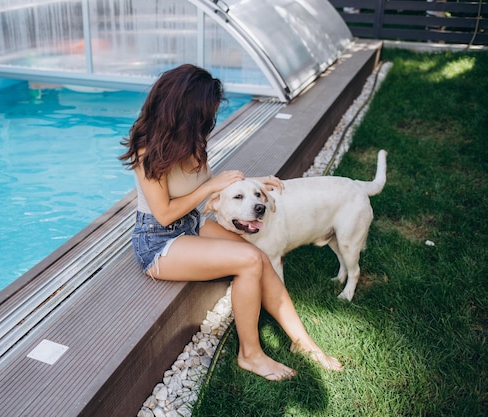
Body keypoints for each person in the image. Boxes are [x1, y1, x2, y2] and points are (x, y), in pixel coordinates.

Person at [119, 64, 343, 381]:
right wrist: (210, 187)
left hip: (191, 223)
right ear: (185, 111)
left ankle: (303, 342)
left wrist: (252, 184)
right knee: (250, 260)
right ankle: (250, 354)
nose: (210, 119)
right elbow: (165, 214)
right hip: (158, 241)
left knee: (261, 258)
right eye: (206, 112)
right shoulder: (147, 151)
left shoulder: (192, 141)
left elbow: (209, 189)